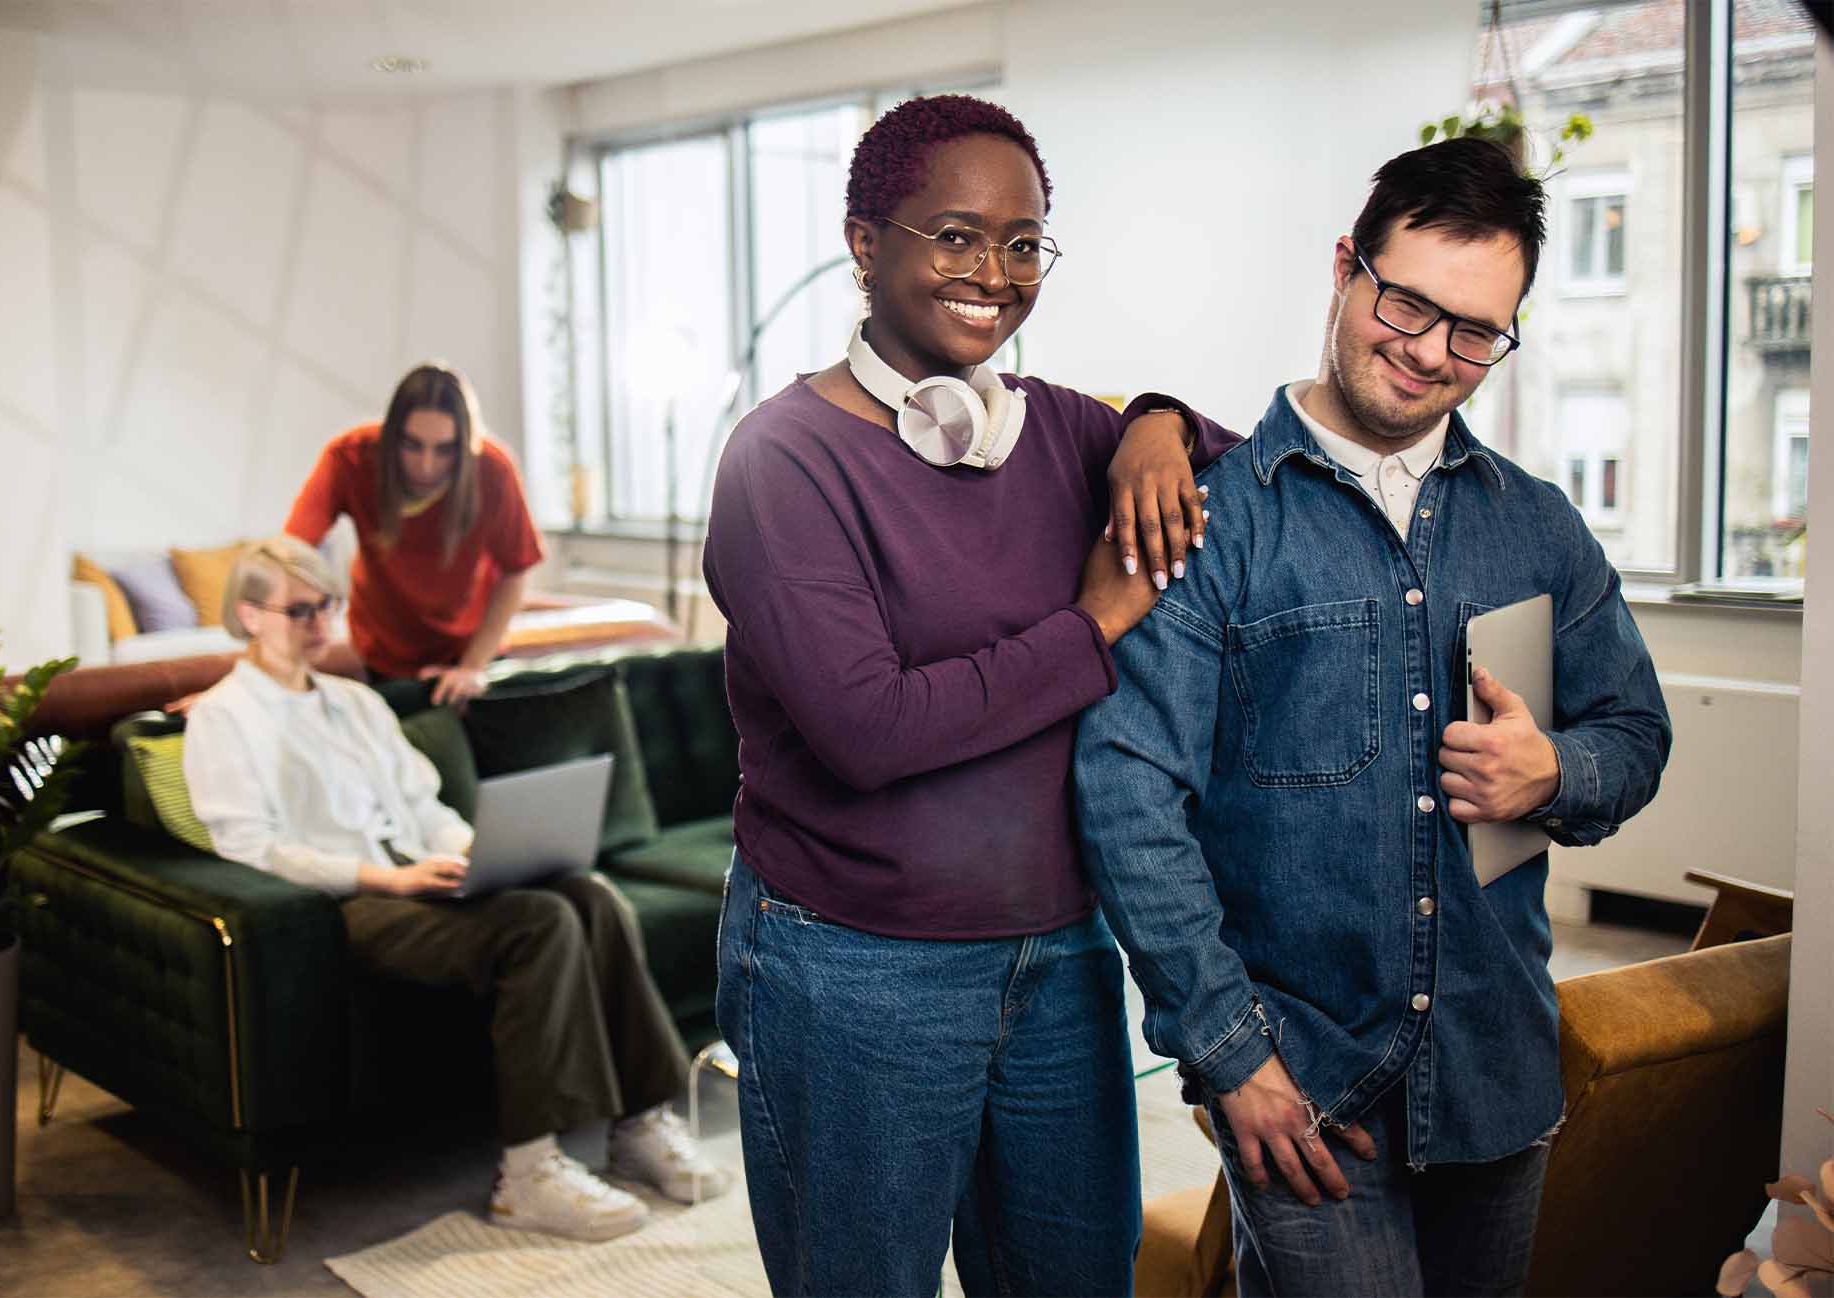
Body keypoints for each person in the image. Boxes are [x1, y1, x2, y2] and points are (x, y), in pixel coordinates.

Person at [1073, 137, 1673, 1298]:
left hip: (1497, 1070)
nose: (1428, 353)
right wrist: (1229, 1055)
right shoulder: (1209, 521)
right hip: (1302, 1088)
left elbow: (1634, 732)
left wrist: (1551, 772)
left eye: (1474, 333)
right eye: (1406, 303)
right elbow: (1125, 794)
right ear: (1346, 266)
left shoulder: (1539, 525)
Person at [703, 94, 1238, 1297]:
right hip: (850, 967)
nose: (992, 272)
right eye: (951, 235)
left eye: (1020, 241)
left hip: (1057, 950)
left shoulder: (1055, 428)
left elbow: (1245, 464)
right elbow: (868, 728)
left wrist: (1154, 419)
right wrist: (1094, 620)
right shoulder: (779, 460)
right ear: (862, 243)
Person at [182, 534, 729, 1242]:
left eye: (328, 607)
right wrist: (389, 876)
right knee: (541, 924)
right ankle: (528, 1174)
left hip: (422, 878)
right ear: (249, 615)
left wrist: (478, 852)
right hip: (349, 905)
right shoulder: (224, 718)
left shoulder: (356, 703)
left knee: (589, 894)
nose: (320, 624)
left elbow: (427, 808)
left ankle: (638, 1123)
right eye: (300, 610)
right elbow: (251, 846)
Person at [286, 362, 540, 708]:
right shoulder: (350, 457)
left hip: (469, 654)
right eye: (412, 445)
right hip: (383, 655)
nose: (426, 466)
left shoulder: (494, 470)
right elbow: (291, 554)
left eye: (444, 449)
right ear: (392, 434)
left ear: (464, 445)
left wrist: (472, 667)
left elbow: (517, 568)